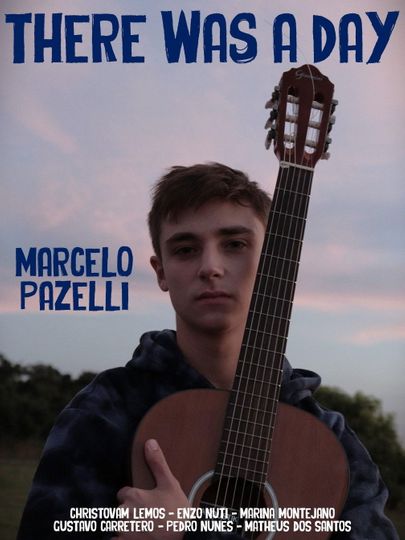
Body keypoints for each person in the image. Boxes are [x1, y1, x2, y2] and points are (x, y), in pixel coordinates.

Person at [18, 163, 398, 539]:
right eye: (185, 249)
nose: (211, 267)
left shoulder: (327, 442)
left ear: (271, 262)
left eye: (234, 245)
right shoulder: (108, 409)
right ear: (161, 272)